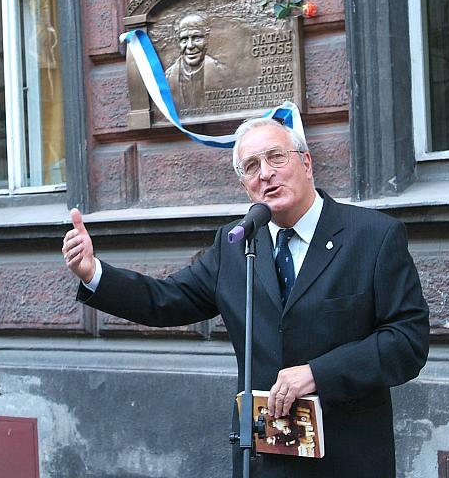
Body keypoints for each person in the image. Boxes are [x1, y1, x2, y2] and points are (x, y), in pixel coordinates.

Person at [61, 117, 430, 477]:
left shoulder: (374, 237)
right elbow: (166, 299)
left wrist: (319, 373)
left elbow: (407, 342)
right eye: (251, 166)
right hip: (263, 458)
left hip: (347, 456)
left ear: (306, 162)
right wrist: (94, 273)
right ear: (245, 185)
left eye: (276, 157)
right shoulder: (237, 244)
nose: (265, 173)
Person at [164, 14, 228, 111]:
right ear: (178, 43)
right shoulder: (167, 78)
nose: (190, 46)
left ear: (206, 39)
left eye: (196, 38)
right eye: (184, 40)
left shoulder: (223, 73)